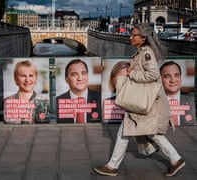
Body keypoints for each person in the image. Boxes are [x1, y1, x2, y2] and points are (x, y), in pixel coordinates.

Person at [93, 23, 185, 177]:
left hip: (143, 102)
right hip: (143, 101)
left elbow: (153, 75)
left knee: (125, 134)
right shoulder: (143, 51)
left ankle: (112, 166)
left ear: (143, 38)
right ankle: (174, 159)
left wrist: (132, 73)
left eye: (134, 35)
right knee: (150, 133)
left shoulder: (146, 53)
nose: (130, 37)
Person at [56, 59, 101, 123]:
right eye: (74, 74)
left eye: (83, 73)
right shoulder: (56, 103)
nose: (80, 78)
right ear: (66, 79)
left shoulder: (101, 99)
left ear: (88, 76)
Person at [160, 61, 196, 126]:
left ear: (180, 78)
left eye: (176, 75)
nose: (173, 80)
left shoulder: (193, 100)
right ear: (160, 79)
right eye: (167, 76)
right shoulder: (153, 103)